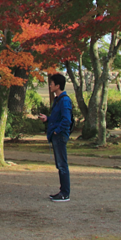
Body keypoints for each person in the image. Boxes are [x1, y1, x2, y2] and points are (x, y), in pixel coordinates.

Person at [40, 72, 73, 202]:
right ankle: (62, 191)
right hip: (56, 135)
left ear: (58, 85)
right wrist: (47, 119)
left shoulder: (64, 100)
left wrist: (57, 131)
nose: (50, 86)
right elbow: (57, 118)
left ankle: (65, 193)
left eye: (52, 84)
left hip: (59, 136)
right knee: (60, 164)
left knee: (62, 164)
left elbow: (66, 120)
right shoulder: (58, 100)